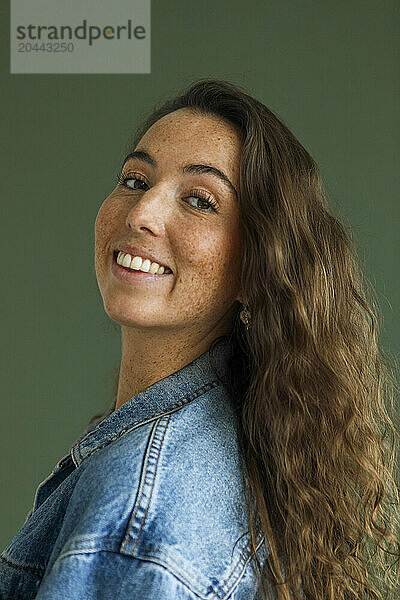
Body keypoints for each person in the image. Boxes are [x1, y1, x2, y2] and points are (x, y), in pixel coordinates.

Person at [0, 79, 399, 600]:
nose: (141, 214)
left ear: (257, 269)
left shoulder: (137, 524)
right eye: (136, 180)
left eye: (199, 200)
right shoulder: (227, 442)